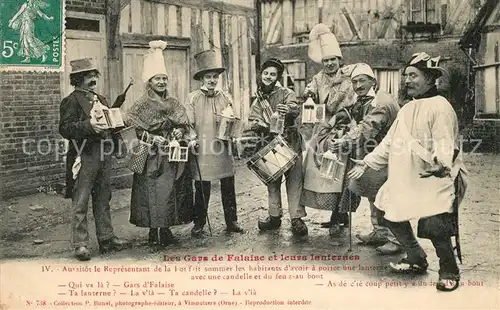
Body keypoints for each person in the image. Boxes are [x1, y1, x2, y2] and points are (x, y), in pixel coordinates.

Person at [349, 52, 468, 292]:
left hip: (435, 177)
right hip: (408, 176)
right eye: (406, 76)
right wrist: (368, 161)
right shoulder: (406, 109)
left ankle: (449, 270)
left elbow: (446, 142)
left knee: (436, 224)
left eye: (413, 76)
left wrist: (441, 164)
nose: (407, 81)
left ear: (429, 78)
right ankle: (415, 257)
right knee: (388, 211)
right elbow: (390, 142)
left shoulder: (440, 107)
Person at [59, 58, 130, 261]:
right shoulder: (71, 101)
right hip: (83, 155)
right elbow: (65, 129)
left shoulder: (102, 99)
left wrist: (118, 137)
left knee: (103, 198)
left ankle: (107, 239)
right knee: (80, 200)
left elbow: (112, 125)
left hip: (104, 154)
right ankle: (80, 244)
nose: (92, 79)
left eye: (93, 75)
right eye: (87, 76)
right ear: (78, 79)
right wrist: (89, 126)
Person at [328, 63, 402, 254]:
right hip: (375, 154)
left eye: (362, 81)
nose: (358, 85)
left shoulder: (381, 103)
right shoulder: (367, 99)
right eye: (354, 82)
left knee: (389, 196)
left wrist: (345, 141)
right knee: (373, 192)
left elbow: (367, 128)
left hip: (390, 155)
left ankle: (397, 239)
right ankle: (380, 231)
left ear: (373, 81)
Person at [125, 40, 194, 248]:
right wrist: (152, 137)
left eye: (164, 78)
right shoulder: (141, 105)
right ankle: (153, 232)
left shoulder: (173, 103)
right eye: (158, 79)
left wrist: (179, 130)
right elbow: (132, 127)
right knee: (152, 191)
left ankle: (165, 230)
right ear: (150, 82)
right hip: (151, 155)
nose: (162, 82)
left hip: (171, 154)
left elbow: (184, 123)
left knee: (170, 191)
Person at [300, 24, 357, 236]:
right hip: (322, 130)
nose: (330, 63)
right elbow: (311, 96)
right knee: (323, 172)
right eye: (326, 60)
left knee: (340, 174)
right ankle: (335, 213)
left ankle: (339, 216)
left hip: (342, 129)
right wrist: (309, 96)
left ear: (339, 60)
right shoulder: (318, 78)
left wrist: (337, 119)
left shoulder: (349, 79)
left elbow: (353, 107)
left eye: (333, 59)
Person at [184, 49, 244, 238]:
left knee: (228, 183)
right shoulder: (193, 98)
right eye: (208, 76)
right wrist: (192, 138)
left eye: (215, 76)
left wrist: (234, 134)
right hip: (203, 147)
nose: (212, 80)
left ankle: (232, 220)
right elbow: (188, 122)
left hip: (222, 146)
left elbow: (234, 118)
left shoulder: (225, 97)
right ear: (201, 78)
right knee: (202, 186)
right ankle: (199, 223)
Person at [245, 58, 307, 236]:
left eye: (273, 74)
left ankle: (296, 218)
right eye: (266, 73)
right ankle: (274, 216)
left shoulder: (286, 93)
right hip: (268, 142)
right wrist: (259, 124)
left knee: (295, 181)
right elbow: (252, 120)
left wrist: (288, 110)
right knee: (272, 181)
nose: (268, 77)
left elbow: (295, 108)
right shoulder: (258, 99)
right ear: (261, 74)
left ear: (278, 76)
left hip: (290, 141)